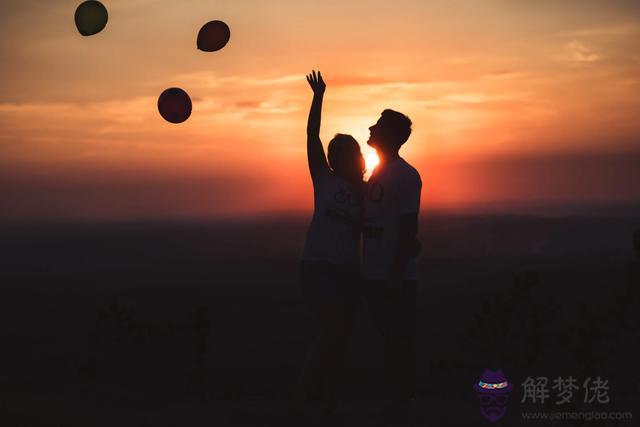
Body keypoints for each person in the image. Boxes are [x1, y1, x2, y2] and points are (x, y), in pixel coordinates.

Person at [292, 70, 366, 415]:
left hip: (348, 272)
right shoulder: (323, 179)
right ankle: (306, 396)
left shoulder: (367, 192)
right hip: (319, 267)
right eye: (333, 153)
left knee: (341, 336)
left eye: (342, 152)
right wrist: (318, 96)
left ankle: (329, 401)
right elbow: (311, 136)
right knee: (331, 331)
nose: (335, 157)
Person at [362, 109, 422, 417]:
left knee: (397, 339)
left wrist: (395, 275)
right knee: (385, 339)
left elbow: (408, 226)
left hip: (393, 276)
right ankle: (393, 401)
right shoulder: (379, 172)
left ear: (391, 136)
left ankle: (402, 403)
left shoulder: (406, 175)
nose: (370, 128)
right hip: (375, 273)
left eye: (378, 126)